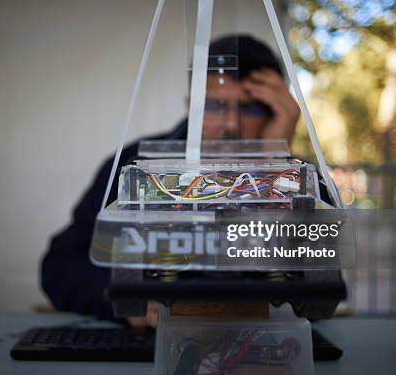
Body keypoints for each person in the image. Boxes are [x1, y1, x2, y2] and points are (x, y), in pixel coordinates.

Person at [41, 35, 300, 323]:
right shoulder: (134, 164)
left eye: (251, 108)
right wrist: (131, 302)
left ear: (279, 111)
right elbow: (60, 266)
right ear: (190, 105)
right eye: (214, 106)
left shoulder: (297, 175)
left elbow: (323, 281)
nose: (231, 124)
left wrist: (274, 166)